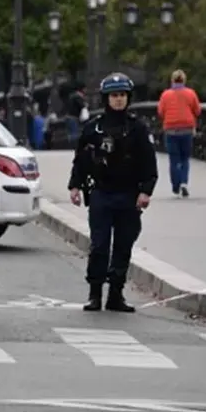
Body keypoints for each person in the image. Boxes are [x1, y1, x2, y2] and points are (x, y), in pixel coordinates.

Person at [67, 73, 158, 313]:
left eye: (122, 95)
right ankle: (95, 293)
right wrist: (75, 186)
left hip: (128, 194)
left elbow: (149, 163)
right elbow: (81, 160)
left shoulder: (138, 129)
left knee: (123, 245)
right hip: (101, 193)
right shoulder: (94, 128)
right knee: (99, 245)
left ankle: (116, 294)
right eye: (114, 95)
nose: (118, 99)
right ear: (106, 98)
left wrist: (146, 191)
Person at [157, 69, 201, 197]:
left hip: (171, 129)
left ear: (172, 80)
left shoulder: (166, 95)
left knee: (174, 158)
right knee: (185, 158)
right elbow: (197, 111)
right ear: (184, 80)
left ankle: (175, 185)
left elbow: (160, 111)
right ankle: (184, 182)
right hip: (187, 128)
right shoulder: (190, 93)